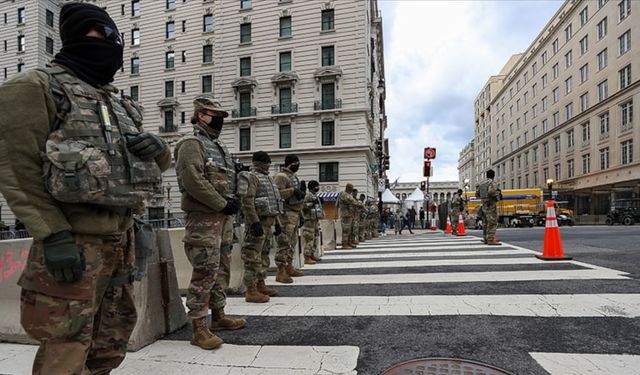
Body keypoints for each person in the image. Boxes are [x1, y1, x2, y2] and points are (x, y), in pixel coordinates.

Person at [0, 3, 171, 373]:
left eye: (118, 38)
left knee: (110, 342)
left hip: (121, 240)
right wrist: (53, 234)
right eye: (104, 34)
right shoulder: (34, 87)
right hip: (73, 242)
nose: (113, 45)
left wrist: (161, 152)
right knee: (66, 345)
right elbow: (16, 172)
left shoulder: (117, 101)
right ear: (79, 34)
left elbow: (137, 167)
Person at [174, 95, 246, 350]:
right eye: (217, 116)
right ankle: (198, 327)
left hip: (222, 219)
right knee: (204, 271)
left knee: (222, 267)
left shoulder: (219, 147)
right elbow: (192, 180)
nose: (220, 121)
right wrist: (222, 204)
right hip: (204, 218)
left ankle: (218, 314)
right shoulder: (191, 143)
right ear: (202, 115)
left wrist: (231, 204)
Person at [237, 151, 283, 302]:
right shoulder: (250, 176)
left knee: (263, 256)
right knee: (252, 257)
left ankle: (260, 283)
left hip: (268, 223)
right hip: (257, 223)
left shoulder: (268, 178)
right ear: (257, 162)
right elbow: (247, 201)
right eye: (265, 160)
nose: (268, 163)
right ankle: (250, 290)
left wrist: (277, 223)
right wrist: (254, 221)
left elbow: (273, 203)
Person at [274, 154, 306, 283]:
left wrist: (301, 214)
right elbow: (278, 194)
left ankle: (289, 266)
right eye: (295, 163)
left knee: (292, 243)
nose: (297, 165)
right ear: (290, 163)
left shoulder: (293, 177)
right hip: (285, 214)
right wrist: (292, 191)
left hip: (295, 213)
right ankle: (280, 271)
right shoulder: (281, 176)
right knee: (284, 242)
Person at [302, 180, 324, 264]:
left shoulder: (315, 195)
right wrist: (311, 203)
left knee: (315, 237)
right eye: (316, 186)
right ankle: (307, 257)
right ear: (313, 187)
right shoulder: (308, 195)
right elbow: (303, 206)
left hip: (315, 219)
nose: (318, 188)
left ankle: (312, 254)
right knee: (309, 238)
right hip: (309, 220)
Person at [477, 169, 501, 245]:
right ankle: (491, 239)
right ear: (493, 175)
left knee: (485, 223)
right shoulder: (492, 182)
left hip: (483, 205)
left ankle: (485, 238)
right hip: (490, 205)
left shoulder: (482, 183)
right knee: (492, 222)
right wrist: (498, 194)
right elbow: (491, 192)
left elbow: (477, 194)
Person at [338, 184, 359, 248]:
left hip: (349, 215)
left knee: (349, 230)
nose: (352, 190)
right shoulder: (344, 195)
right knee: (346, 230)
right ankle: (344, 244)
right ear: (348, 188)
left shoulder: (348, 195)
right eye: (351, 188)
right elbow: (353, 202)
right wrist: (360, 204)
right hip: (345, 215)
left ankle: (348, 242)